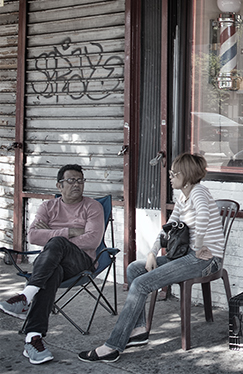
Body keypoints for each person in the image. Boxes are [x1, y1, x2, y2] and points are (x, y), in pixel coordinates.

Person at [78, 153, 225, 363]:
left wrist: (199, 246)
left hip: (206, 258)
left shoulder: (199, 192)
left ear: (187, 175)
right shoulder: (183, 196)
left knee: (141, 284)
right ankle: (138, 331)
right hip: (188, 256)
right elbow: (169, 227)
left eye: (174, 173)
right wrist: (152, 252)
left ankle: (113, 346)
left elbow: (202, 217)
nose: (171, 177)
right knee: (135, 269)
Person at [0, 164, 104, 365]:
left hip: (81, 263)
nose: (77, 184)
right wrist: (71, 231)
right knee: (52, 271)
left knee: (56, 244)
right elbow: (32, 235)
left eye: (80, 180)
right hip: (52, 265)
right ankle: (33, 339)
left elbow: (92, 240)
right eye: (71, 180)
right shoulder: (47, 207)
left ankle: (25, 296)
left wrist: (55, 237)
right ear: (59, 185)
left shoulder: (92, 206)